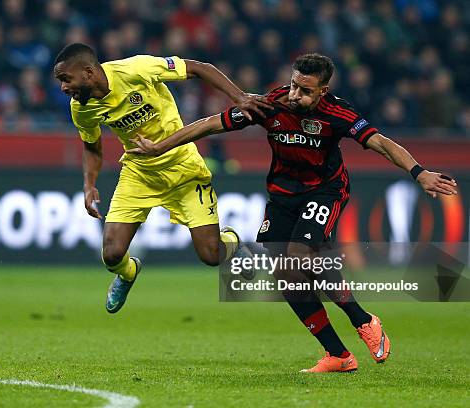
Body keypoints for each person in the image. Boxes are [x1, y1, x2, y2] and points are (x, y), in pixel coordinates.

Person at [128, 53, 458, 372]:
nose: (295, 94)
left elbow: (382, 143)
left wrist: (420, 173)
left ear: (323, 92)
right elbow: (210, 125)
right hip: (283, 195)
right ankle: (338, 354)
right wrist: (160, 146)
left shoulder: (337, 114)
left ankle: (363, 320)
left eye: (305, 90)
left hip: (325, 190)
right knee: (283, 273)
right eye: (293, 85)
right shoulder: (271, 104)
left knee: (300, 255)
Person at [53, 43, 270, 314]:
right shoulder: (81, 108)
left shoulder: (136, 70)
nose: (63, 88)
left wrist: (239, 97)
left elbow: (199, 68)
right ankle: (128, 273)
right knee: (111, 254)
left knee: (212, 256)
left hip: (183, 169)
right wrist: (88, 184)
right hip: (138, 173)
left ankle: (232, 241)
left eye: (66, 79)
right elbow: (91, 146)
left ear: (88, 72)